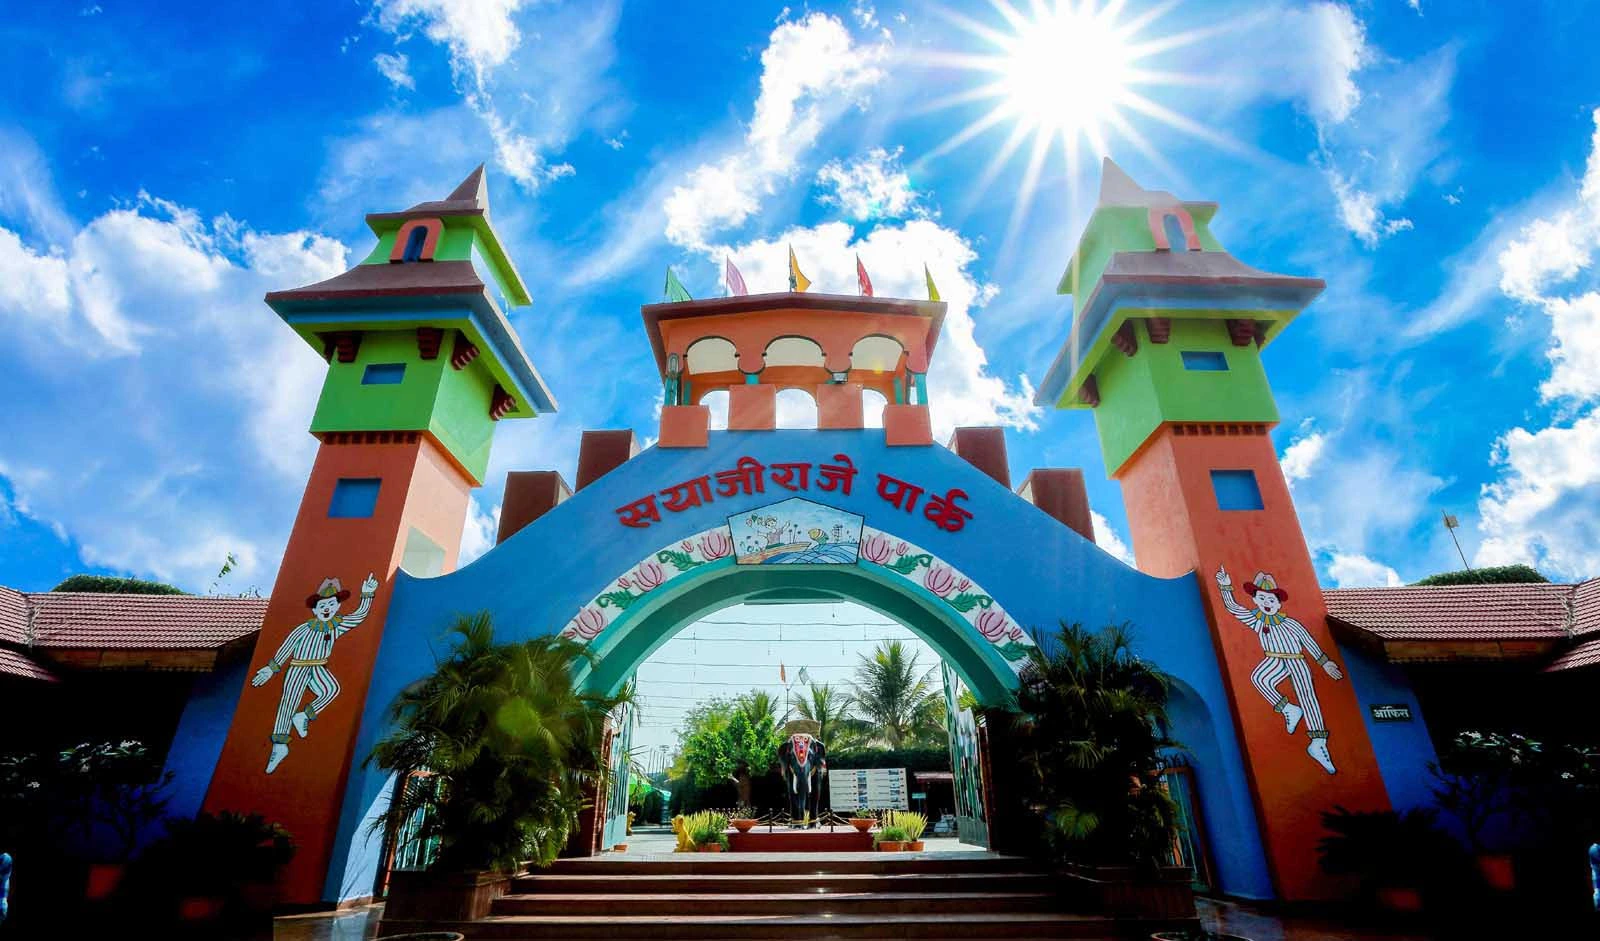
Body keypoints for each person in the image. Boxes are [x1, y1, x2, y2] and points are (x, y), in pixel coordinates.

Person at [1216, 566, 1343, 774]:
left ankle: (1318, 743)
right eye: (1262, 599)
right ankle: (1288, 709)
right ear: (1255, 600)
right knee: (1259, 678)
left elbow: (1308, 641)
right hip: (1274, 659)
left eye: (1271, 599)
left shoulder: (1291, 623)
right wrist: (1225, 586)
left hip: (1297, 661)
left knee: (1308, 698)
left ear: (1278, 603)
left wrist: (1325, 662)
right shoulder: (1258, 621)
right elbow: (1234, 609)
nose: (1267, 603)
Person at [251, 573, 379, 773]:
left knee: (331, 689)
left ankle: (304, 715)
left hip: (318, 667)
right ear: (315, 609)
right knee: (288, 704)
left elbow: (358, 617)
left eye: (331, 605)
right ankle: (279, 746)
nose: (327, 609)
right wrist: (271, 668)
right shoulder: (304, 628)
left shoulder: (336, 626)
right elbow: (287, 646)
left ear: (337, 607)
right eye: (323, 606)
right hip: (298, 668)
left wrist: (367, 595)